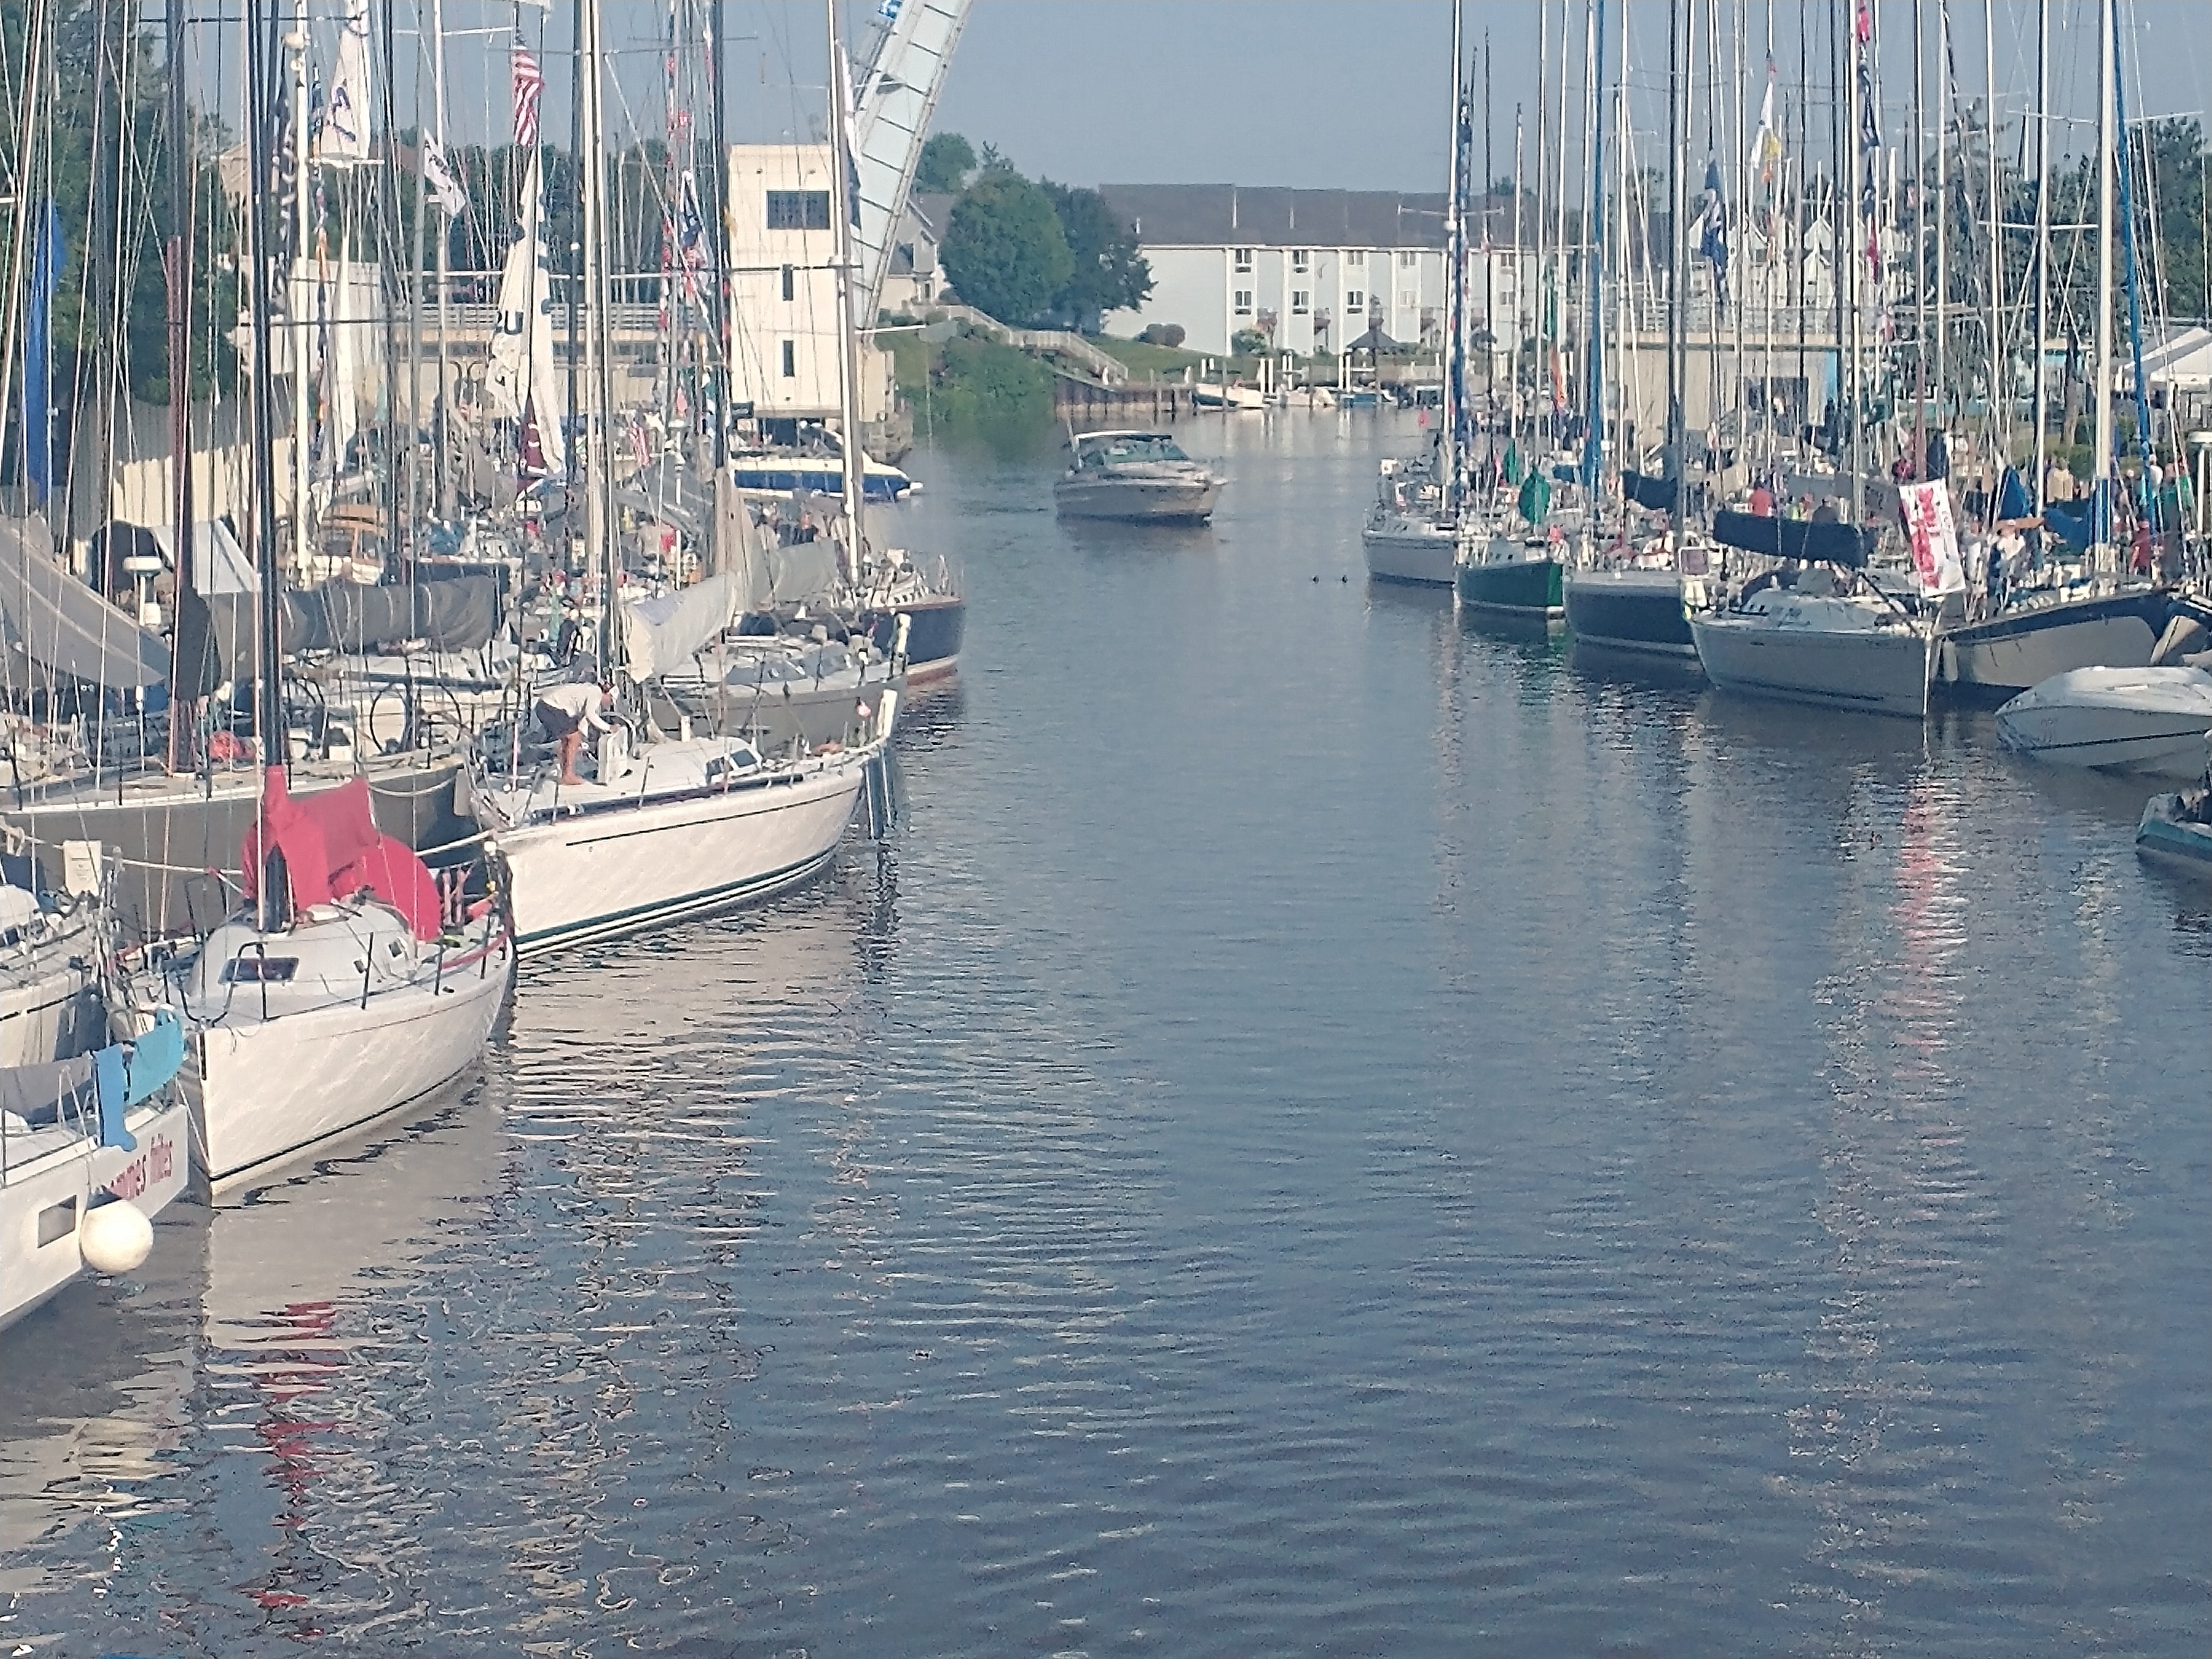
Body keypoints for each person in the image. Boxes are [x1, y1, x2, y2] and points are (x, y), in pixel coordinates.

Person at [536, 679, 614, 786]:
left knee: (568, 739)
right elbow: (591, 716)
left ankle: (565, 772)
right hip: (550, 707)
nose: (610, 704)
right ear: (607, 695)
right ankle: (568, 775)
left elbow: (583, 720)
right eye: (611, 700)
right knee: (574, 737)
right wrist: (610, 728)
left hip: (544, 706)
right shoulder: (596, 694)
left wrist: (584, 737)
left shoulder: (590, 690)